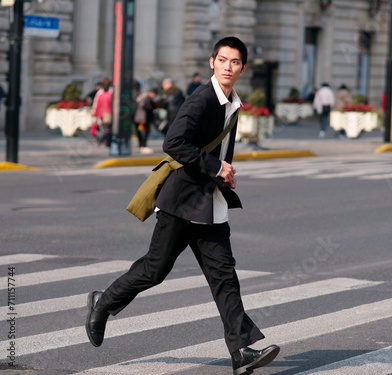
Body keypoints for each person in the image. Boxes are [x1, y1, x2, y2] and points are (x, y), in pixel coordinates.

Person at [85, 36, 280, 375]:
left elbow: (213, 151)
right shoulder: (202, 99)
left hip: (208, 202)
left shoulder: (232, 101)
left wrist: (223, 173)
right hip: (181, 202)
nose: (228, 67)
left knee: (224, 277)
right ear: (212, 62)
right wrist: (216, 167)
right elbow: (173, 143)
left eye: (235, 62)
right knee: (154, 270)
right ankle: (103, 303)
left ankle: (241, 353)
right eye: (223, 60)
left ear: (243, 68)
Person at [134, 87, 158, 154]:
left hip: (140, 119)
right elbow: (143, 105)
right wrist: (151, 108)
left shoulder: (143, 97)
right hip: (143, 119)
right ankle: (143, 145)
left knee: (141, 131)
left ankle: (141, 144)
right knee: (144, 132)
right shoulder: (147, 98)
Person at [93, 81, 113, 147]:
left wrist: (96, 114)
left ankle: (104, 141)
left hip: (101, 113)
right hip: (108, 113)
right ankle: (102, 140)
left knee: (103, 128)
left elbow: (98, 105)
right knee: (107, 129)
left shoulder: (101, 95)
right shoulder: (110, 95)